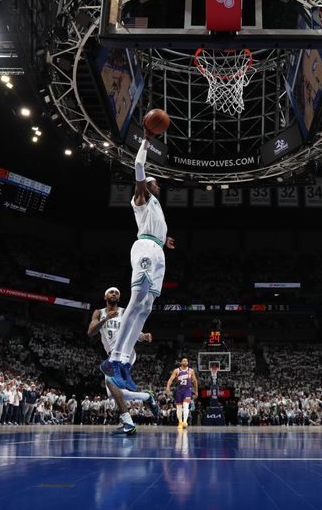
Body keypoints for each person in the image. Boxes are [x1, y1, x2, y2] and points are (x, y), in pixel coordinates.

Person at [100, 132, 175, 391]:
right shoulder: (141, 197)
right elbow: (139, 166)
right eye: (154, 183)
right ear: (147, 185)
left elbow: (156, 229)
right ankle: (114, 359)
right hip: (144, 247)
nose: (157, 186)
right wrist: (145, 140)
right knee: (135, 300)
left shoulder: (156, 206)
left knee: (147, 306)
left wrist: (164, 240)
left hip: (157, 252)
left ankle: (124, 362)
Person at [165, 358, 198, 430]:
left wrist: (196, 391)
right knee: (179, 407)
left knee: (186, 405)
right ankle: (180, 422)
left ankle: (185, 422)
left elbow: (195, 381)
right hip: (179, 390)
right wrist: (167, 387)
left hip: (187, 390)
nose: (185, 362)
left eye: (186, 361)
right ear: (181, 362)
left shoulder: (191, 370)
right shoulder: (176, 370)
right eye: (184, 360)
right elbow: (171, 379)